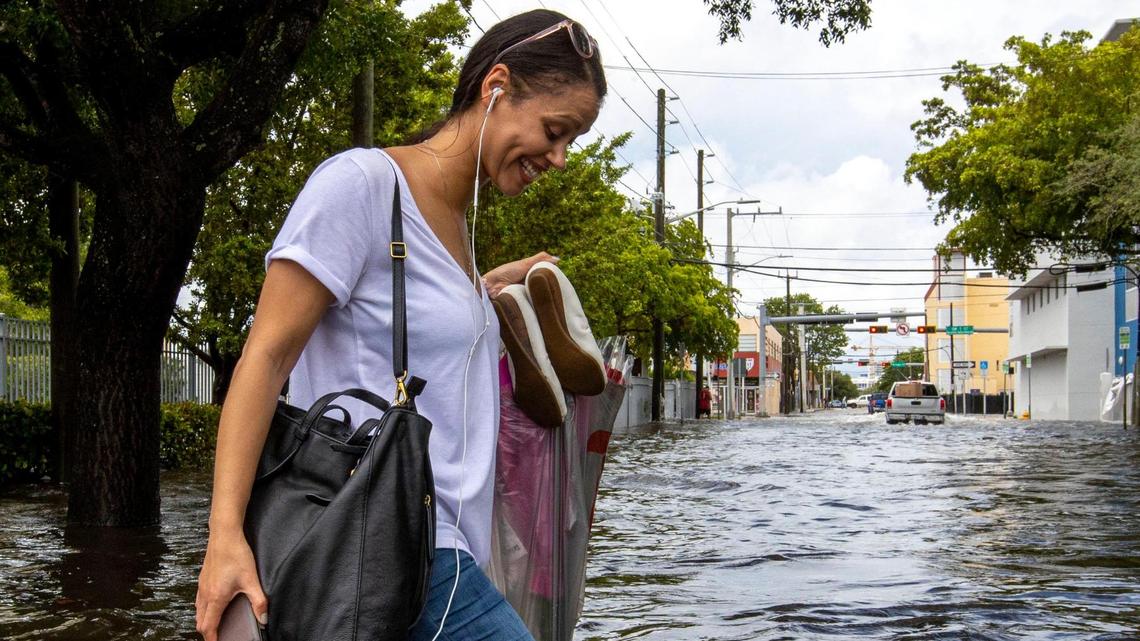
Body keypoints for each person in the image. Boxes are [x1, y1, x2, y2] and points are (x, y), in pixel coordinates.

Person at [194, 9, 606, 641]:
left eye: (570, 141)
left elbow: (415, 327)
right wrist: (224, 539)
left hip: (440, 556)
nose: (559, 158)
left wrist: (490, 287)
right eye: (555, 131)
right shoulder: (361, 187)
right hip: (377, 542)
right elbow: (266, 357)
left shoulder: (457, 231)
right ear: (496, 86)